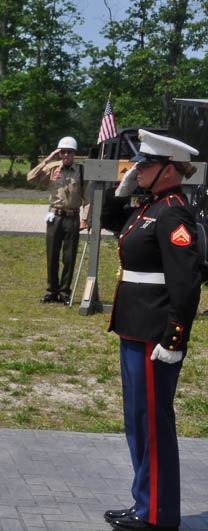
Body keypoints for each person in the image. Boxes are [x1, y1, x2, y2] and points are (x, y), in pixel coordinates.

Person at [105, 130, 201, 531]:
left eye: (145, 165)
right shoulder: (152, 206)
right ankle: (144, 502)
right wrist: (122, 190)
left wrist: (175, 336)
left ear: (169, 170)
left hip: (155, 332)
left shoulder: (173, 212)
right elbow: (112, 222)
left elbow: (186, 281)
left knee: (153, 424)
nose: (138, 170)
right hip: (135, 326)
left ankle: (157, 514)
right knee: (139, 422)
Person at [27, 136, 91, 304]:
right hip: (54, 216)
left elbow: (88, 197)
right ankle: (51, 291)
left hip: (72, 217)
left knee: (69, 257)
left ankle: (64, 292)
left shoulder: (82, 171)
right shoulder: (52, 168)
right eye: (63, 152)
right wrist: (47, 160)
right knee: (52, 255)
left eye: (69, 152)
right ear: (59, 153)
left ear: (74, 153)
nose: (66, 155)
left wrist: (85, 219)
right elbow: (31, 178)